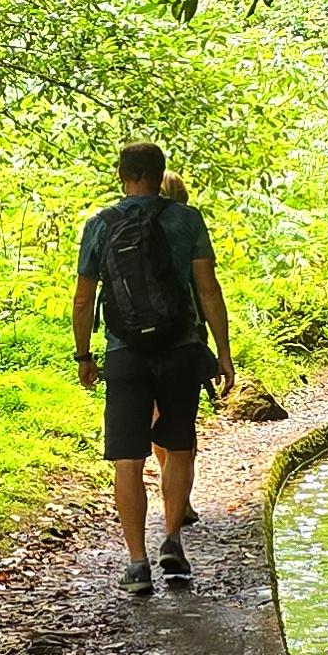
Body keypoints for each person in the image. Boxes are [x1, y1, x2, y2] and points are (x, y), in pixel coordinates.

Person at [73, 143, 235, 595]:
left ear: (122, 174)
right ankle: (172, 540)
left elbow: (84, 298)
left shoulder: (100, 224)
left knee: (128, 458)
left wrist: (84, 355)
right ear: (160, 173)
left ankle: (137, 563)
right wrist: (223, 352)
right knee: (179, 446)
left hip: (125, 353)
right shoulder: (187, 219)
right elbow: (207, 289)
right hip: (181, 348)